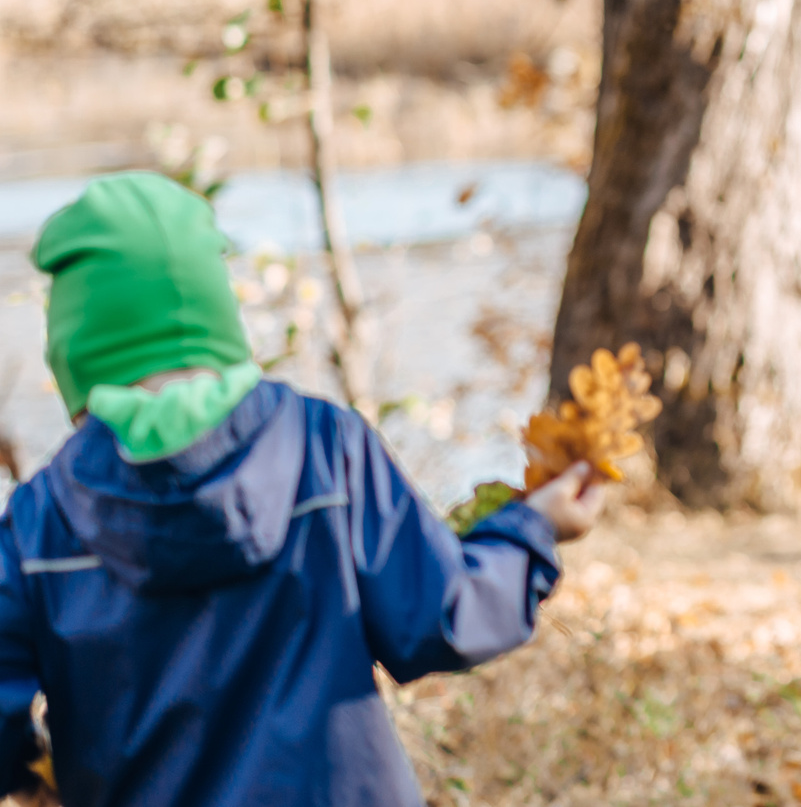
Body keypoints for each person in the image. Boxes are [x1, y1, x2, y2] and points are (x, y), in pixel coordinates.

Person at [0, 172, 607, 807]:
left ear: (74, 349)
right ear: (217, 322)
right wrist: (533, 527)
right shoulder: (325, 447)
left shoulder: (39, 522)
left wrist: (34, 770)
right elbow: (446, 616)